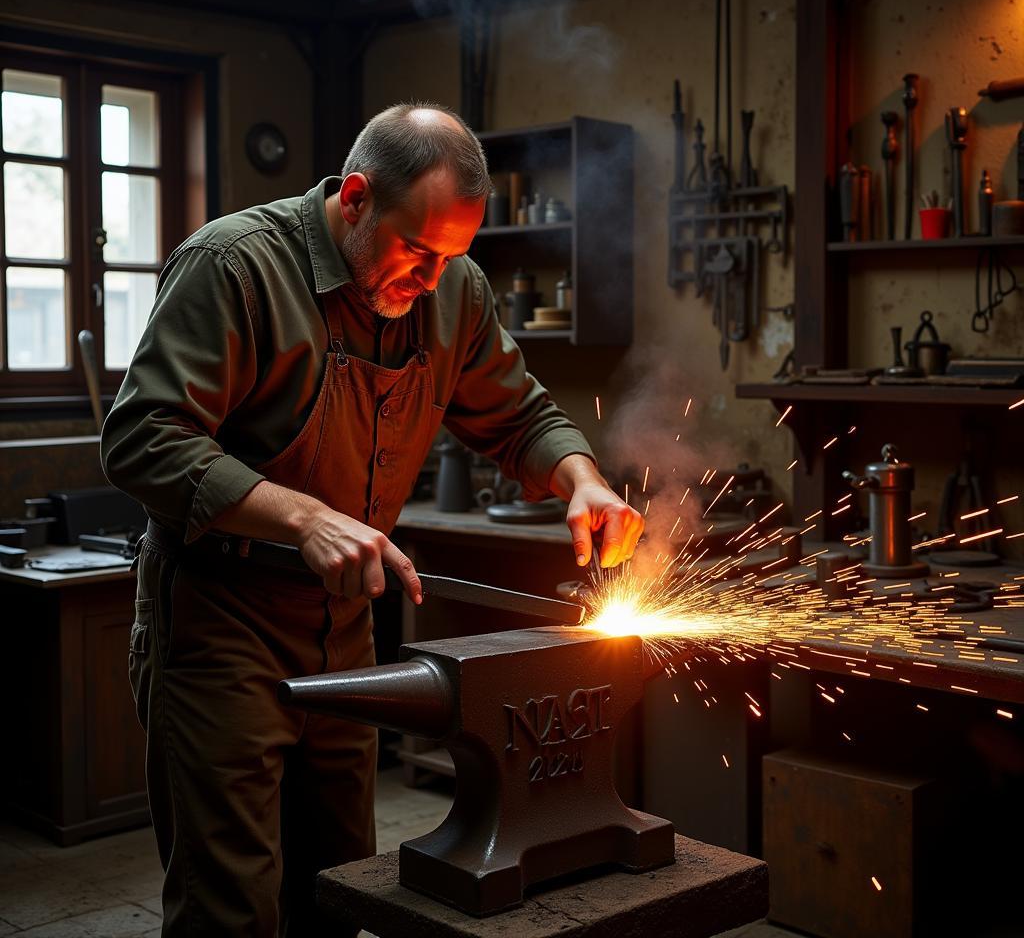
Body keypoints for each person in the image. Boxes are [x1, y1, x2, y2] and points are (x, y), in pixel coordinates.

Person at [101, 102, 643, 936]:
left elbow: (520, 416)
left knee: (341, 885)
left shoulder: (451, 287)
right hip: (221, 622)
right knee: (231, 904)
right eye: (418, 254)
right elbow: (141, 438)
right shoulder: (236, 266)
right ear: (354, 198)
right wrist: (305, 519)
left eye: (452, 259)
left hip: (348, 629)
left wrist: (581, 478)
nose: (433, 282)